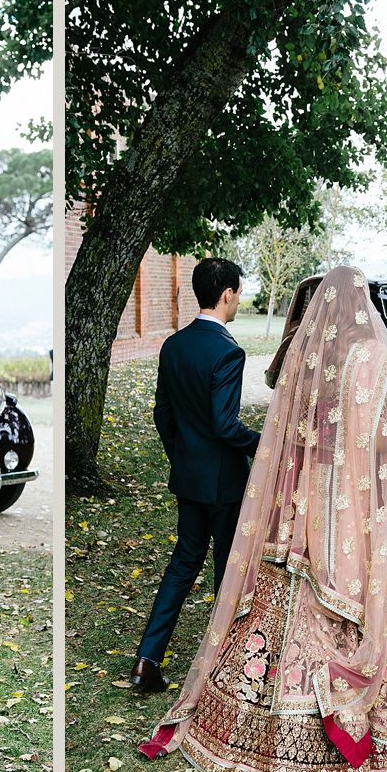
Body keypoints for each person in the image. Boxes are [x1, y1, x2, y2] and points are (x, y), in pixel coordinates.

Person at [139, 265, 387, 772]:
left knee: (225, 575)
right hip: (343, 493)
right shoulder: (373, 356)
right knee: (326, 581)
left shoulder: (300, 355)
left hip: (281, 489)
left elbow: (177, 415)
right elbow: (371, 435)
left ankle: (178, 664)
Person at [131, 258, 261, 693]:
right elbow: (226, 425)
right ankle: (225, 666)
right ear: (227, 293)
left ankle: (147, 660)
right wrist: (263, 443)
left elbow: (162, 414)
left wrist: (181, 457)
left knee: (183, 566)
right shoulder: (228, 351)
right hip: (224, 483)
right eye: (239, 293)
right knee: (229, 570)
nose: (239, 300)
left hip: (188, 478)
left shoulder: (174, 345)